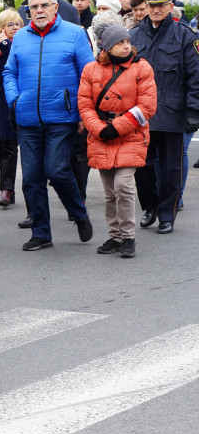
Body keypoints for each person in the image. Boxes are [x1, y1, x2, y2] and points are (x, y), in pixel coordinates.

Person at [3, 0, 95, 252]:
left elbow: (88, 76)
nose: (39, 11)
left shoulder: (75, 34)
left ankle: (79, 214)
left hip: (63, 116)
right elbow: (9, 72)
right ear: (29, 11)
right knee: (32, 178)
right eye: (34, 7)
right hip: (27, 117)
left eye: (44, 5)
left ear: (56, 7)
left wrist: (82, 113)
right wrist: (15, 99)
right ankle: (41, 232)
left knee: (57, 171)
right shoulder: (20, 37)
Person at [78, 24, 156, 258]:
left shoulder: (142, 67)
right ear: (107, 46)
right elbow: (85, 105)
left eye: (127, 41)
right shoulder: (91, 70)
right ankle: (115, 236)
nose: (126, 46)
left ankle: (129, 236)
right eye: (120, 43)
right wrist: (101, 130)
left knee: (123, 185)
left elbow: (147, 106)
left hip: (130, 134)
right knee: (110, 191)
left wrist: (118, 128)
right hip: (102, 135)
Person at [129, 0, 199, 235]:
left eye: (161, 5)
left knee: (171, 168)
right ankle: (150, 206)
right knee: (142, 165)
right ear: (145, 7)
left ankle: (167, 214)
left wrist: (194, 111)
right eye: (151, 5)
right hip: (141, 114)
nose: (155, 9)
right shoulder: (135, 35)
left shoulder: (185, 35)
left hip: (173, 111)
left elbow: (195, 77)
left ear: (171, 6)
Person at [0, 9, 22, 209]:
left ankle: (6, 189)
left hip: (12, 100)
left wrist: (5, 44)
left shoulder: (19, 44)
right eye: (11, 24)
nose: (15, 28)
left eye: (18, 24)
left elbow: (17, 60)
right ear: (1, 27)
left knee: (10, 145)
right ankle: (7, 186)